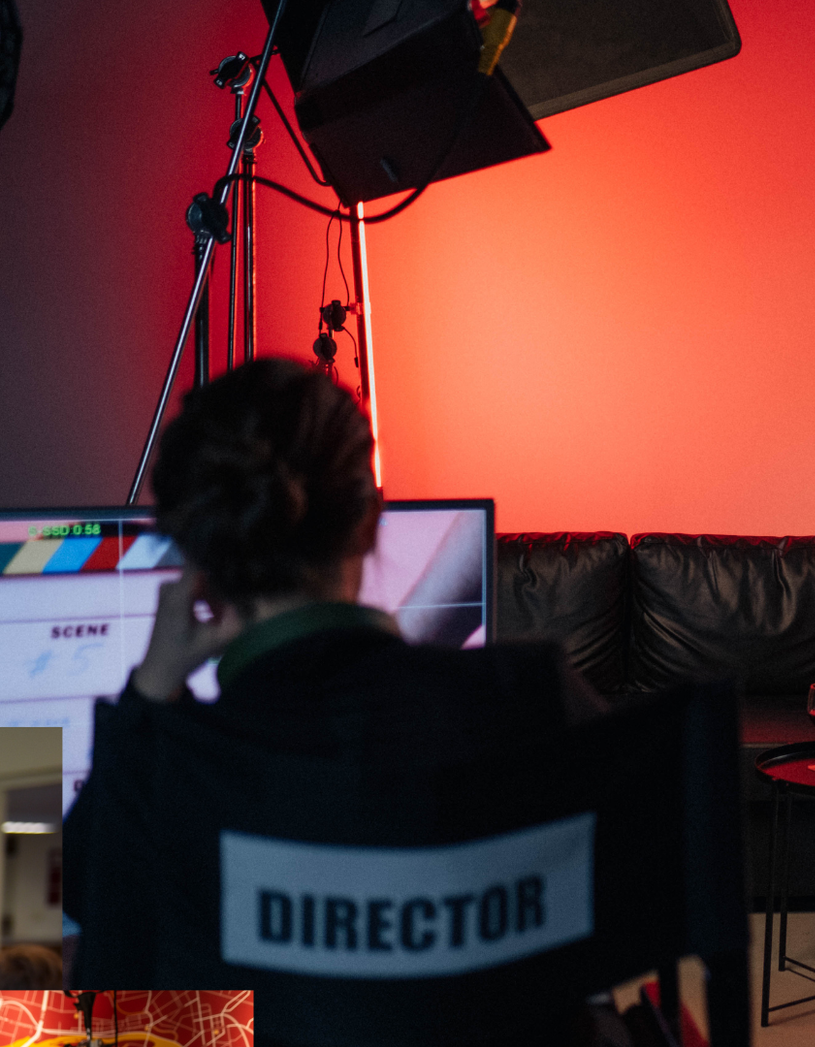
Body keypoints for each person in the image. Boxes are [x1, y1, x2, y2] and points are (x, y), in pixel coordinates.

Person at [62, 359, 606, 1039]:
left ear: (200, 555)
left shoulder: (161, 772)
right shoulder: (535, 701)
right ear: (371, 519)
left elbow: (92, 1000)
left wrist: (151, 685)